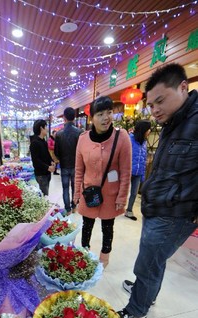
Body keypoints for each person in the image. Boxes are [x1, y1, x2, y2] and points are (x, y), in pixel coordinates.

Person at [119, 63, 198, 318]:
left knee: (148, 262)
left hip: (176, 213)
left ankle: (137, 308)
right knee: (153, 258)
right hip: (157, 206)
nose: (154, 111)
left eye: (160, 101)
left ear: (183, 87)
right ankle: (146, 293)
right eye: (151, 105)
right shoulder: (173, 121)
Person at [74, 96, 132, 268]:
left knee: (108, 228)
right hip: (89, 192)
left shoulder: (122, 138)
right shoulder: (83, 139)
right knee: (87, 225)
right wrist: (76, 193)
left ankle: (104, 259)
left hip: (110, 195)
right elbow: (79, 170)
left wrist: (122, 197)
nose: (106, 117)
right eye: (100, 114)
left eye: (109, 112)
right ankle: (84, 255)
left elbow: (126, 172)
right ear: (92, 118)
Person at [54, 107, 83, 215]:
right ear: (74, 117)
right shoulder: (80, 132)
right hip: (76, 166)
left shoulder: (59, 134)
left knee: (65, 188)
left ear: (64, 117)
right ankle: (74, 206)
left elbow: (56, 152)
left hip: (64, 166)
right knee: (75, 187)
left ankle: (68, 209)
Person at [125, 120, 152, 221]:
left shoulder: (144, 142)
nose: (149, 131)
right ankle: (113, 208)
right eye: (148, 129)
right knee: (120, 191)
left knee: (134, 193)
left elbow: (143, 159)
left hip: (138, 172)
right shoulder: (129, 139)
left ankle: (129, 210)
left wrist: (142, 175)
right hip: (127, 172)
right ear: (143, 130)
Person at [30, 119, 55, 196]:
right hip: (41, 174)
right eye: (46, 127)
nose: (47, 129)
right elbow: (36, 161)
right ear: (41, 128)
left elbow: (47, 154)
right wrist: (47, 167)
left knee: (45, 194)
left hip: (46, 173)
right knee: (44, 196)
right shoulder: (34, 143)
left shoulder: (43, 141)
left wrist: (51, 161)